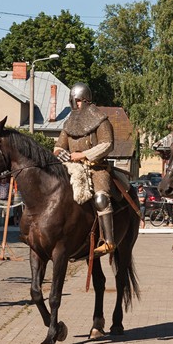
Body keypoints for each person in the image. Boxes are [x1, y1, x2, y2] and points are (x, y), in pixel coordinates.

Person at [53, 82, 115, 256]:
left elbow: (107, 144)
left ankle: (109, 241)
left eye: (78, 101)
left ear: (87, 100)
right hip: (71, 168)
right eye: (73, 101)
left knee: (101, 199)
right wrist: (61, 153)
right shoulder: (69, 122)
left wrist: (84, 155)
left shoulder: (100, 119)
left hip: (96, 168)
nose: (75, 104)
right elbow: (58, 146)